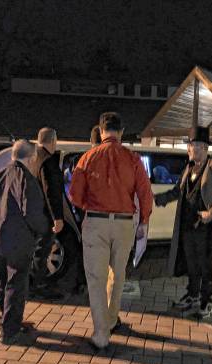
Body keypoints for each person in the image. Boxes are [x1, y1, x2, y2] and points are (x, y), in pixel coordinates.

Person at [70, 112, 153, 349]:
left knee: (96, 278)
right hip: (124, 223)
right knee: (118, 274)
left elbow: (74, 195)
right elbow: (145, 193)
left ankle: (101, 334)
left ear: (101, 130)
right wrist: (143, 221)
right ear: (121, 131)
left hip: (96, 221)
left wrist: (90, 206)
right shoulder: (132, 158)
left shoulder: (88, 157)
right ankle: (112, 318)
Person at [154, 127, 212, 318]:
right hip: (188, 226)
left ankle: (207, 301)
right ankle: (192, 295)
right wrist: (156, 199)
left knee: (208, 265)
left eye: (196, 146)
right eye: (190, 146)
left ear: (205, 148)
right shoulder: (189, 168)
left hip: (207, 228)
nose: (192, 149)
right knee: (192, 264)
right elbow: (177, 191)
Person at [0, 139, 50, 345]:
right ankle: (10, 331)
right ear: (32, 157)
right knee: (16, 286)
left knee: (2, 284)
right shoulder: (26, 179)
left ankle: (7, 320)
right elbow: (32, 213)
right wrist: (43, 231)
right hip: (18, 242)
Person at [30, 127, 66, 300]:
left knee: (36, 251)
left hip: (32, 213)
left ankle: (33, 283)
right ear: (52, 141)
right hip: (45, 215)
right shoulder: (48, 161)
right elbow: (51, 191)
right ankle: (37, 286)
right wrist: (57, 217)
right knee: (42, 251)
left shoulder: (32, 158)